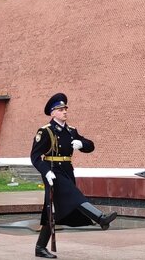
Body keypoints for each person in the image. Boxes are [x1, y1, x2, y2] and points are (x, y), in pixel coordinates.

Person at [31, 93, 117, 258]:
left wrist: (81, 144)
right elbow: (35, 157)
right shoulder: (45, 131)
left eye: (65, 109)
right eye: (60, 109)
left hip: (67, 171)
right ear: (52, 113)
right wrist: (46, 171)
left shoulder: (71, 131)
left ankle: (40, 248)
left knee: (52, 211)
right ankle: (101, 218)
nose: (64, 111)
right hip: (53, 171)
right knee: (75, 196)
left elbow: (90, 146)